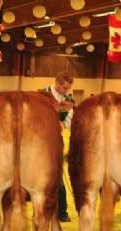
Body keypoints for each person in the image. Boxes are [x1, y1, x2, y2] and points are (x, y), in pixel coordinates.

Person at [44, 71, 75, 222]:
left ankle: (62, 212)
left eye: (68, 88)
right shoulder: (42, 95)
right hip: (40, 142)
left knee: (58, 177)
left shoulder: (68, 98)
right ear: (57, 83)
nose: (66, 91)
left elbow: (70, 121)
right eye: (64, 88)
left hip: (56, 141)